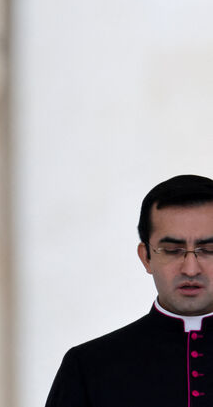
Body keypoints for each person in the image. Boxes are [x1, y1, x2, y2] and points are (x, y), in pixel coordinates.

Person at [45, 174, 213, 407]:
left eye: (208, 250)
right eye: (173, 250)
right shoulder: (87, 367)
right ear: (146, 257)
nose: (191, 269)